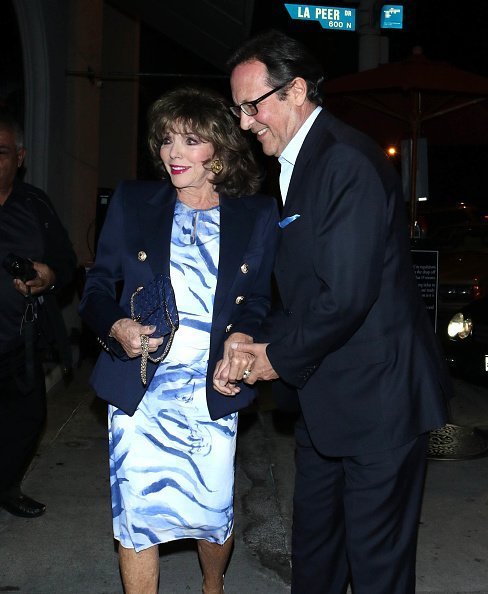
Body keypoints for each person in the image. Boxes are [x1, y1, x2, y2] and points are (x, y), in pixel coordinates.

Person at [214, 30, 452, 594]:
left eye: (252, 106)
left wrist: (274, 359)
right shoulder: (298, 163)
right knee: (316, 557)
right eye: (238, 109)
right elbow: (300, 287)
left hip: (378, 405)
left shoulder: (344, 160)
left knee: (375, 570)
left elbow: (345, 295)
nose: (246, 123)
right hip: (326, 400)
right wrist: (251, 336)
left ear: (296, 90)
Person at [79, 86, 279, 594]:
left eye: (190, 141)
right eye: (167, 141)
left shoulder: (255, 215)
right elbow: (98, 286)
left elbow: (257, 298)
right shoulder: (133, 201)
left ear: (219, 149)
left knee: (212, 510)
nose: (173, 154)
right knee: (136, 518)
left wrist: (241, 338)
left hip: (210, 386)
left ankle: (214, 585)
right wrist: (115, 328)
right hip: (140, 385)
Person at [0, 109, 76, 518]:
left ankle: (7, 486)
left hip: (19, 341)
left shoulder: (34, 204)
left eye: (1, 151)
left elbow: (66, 261)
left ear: (20, 157)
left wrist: (48, 277)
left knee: (27, 422)